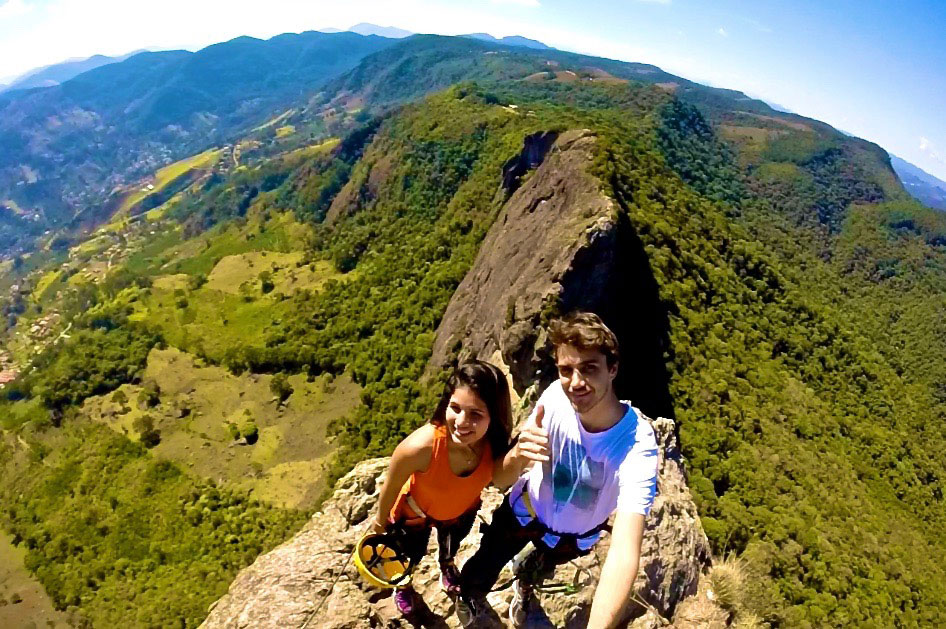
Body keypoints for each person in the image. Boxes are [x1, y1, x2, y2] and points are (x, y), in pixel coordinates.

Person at [458, 311, 659, 628]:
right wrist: (519, 456)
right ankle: (470, 593)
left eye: (589, 369)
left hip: (570, 536)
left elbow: (624, 550)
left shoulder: (636, 445)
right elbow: (500, 480)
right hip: (524, 512)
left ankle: (525, 584)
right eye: (566, 370)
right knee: (486, 560)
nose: (575, 382)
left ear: (613, 369)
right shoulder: (554, 397)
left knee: (537, 565)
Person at [371, 360, 516, 616]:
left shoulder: (493, 447)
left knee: (452, 544)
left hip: (459, 512)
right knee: (408, 556)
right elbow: (391, 485)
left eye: (476, 414)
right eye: (455, 408)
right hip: (413, 515)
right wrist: (381, 525)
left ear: (494, 417)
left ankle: (446, 565)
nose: (461, 422)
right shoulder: (420, 447)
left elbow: (501, 479)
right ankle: (403, 583)